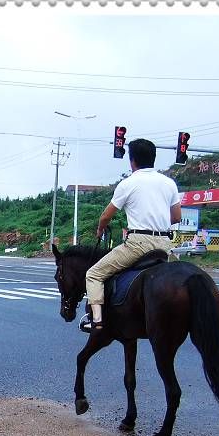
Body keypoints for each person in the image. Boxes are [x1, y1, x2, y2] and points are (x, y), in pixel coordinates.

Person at [80, 138, 181, 332]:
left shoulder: (128, 183)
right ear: (153, 158)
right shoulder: (169, 183)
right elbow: (176, 216)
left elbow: (106, 216)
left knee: (93, 274)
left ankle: (97, 321)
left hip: (138, 245)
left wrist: (101, 229)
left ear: (132, 160)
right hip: (165, 245)